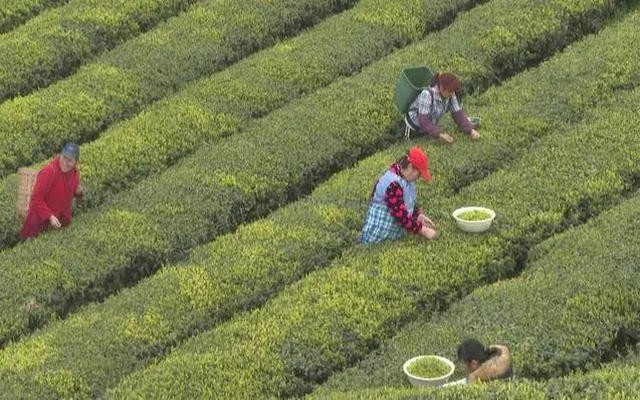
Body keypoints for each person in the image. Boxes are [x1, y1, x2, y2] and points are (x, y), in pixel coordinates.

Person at [359, 146, 437, 244]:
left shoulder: (406, 179)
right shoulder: (393, 184)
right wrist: (423, 230)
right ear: (409, 167)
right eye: (419, 174)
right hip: (378, 237)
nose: (419, 177)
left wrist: (418, 215)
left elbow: (407, 202)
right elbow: (401, 215)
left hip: (393, 233)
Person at [19, 142, 84, 240]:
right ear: (60, 155)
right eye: (64, 158)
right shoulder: (49, 172)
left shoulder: (75, 173)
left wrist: (79, 193)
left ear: (75, 162)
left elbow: (68, 192)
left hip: (60, 224)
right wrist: (49, 216)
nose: (65, 163)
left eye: (69, 160)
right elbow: (36, 198)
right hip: (38, 225)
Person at [406, 72, 480, 143]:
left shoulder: (450, 94)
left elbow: (458, 114)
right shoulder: (427, 94)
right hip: (414, 127)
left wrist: (471, 130)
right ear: (442, 88)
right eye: (450, 91)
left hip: (429, 124)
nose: (452, 94)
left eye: (453, 91)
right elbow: (424, 121)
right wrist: (440, 134)